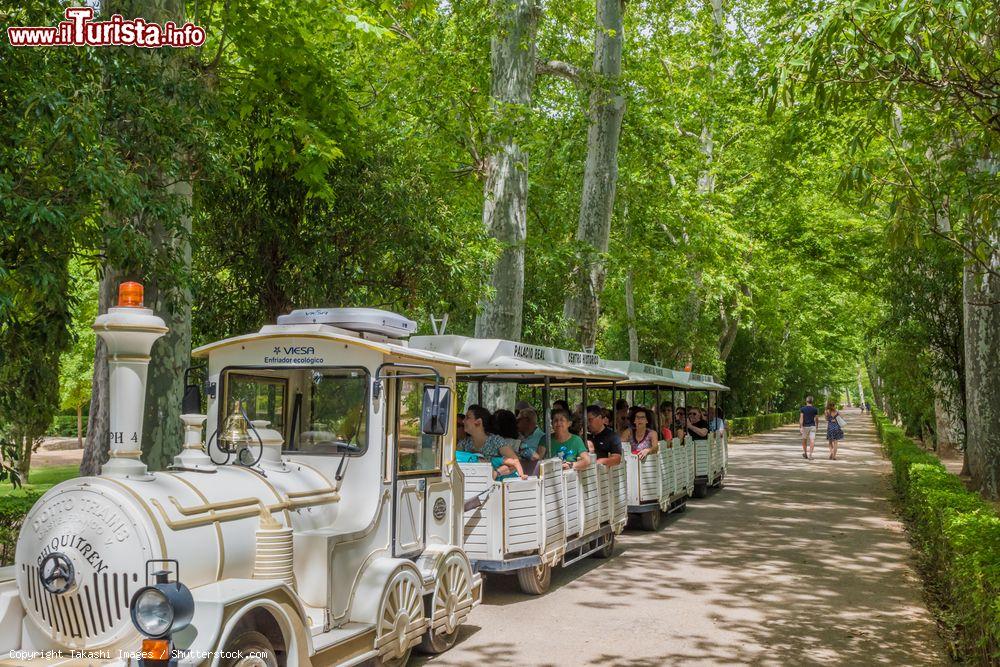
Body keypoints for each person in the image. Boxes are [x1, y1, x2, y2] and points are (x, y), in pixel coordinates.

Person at [458, 405, 526, 480]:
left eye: (467, 417)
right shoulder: (463, 443)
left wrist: (496, 473)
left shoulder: (496, 441)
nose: (463, 421)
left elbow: (515, 463)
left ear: (478, 422)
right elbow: (454, 462)